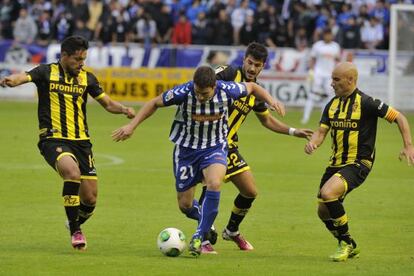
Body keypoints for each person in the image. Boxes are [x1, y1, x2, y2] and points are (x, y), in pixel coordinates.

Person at [112, 66, 285, 257]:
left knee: (214, 183)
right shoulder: (184, 92)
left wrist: (272, 100)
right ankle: (205, 225)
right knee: (185, 205)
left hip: (215, 147)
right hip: (186, 150)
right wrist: (132, 125)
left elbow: (252, 87)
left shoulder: (227, 90)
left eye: (204, 93)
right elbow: (154, 102)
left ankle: (199, 236)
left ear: (214, 86)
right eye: (198, 92)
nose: (200, 97)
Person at [0, 36, 135, 250]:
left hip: (81, 142)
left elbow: (107, 103)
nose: (81, 63)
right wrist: (11, 80)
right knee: (71, 173)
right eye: (77, 59)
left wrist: (124, 110)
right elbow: (23, 77)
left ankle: (75, 221)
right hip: (52, 138)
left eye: (84, 59)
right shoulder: (46, 72)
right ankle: (75, 230)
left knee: (90, 200)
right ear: (64, 56)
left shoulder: (87, 78)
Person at [198, 42, 313, 252]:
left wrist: (292, 131)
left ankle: (231, 231)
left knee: (249, 192)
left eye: (257, 65)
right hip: (210, 142)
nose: (252, 68)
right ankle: (203, 236)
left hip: (229, 145)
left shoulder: (256, 92)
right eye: (250, 62)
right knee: (211, 184)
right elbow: (203, 83)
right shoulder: (228, 73)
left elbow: (267, 121)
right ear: (244, 59)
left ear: (263, 67)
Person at [304, 62, 414, 262]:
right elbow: (321, 132)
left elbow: (400, 117)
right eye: (332, 79)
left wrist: (408, 145)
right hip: (335, 163)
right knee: (322, 211)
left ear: (350, 80)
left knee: (328, 194)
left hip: (359, 163)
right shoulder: (332, 104)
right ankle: (350, 244)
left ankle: (345, 243)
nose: (331, 84)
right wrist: (313, 143)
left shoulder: (367, 103)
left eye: (336, 80)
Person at [301, 28, 341, 125]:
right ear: (324, 35)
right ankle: (305, 118)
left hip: (329, 75)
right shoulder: (317, 45)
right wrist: (311, 70)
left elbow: (338, 60)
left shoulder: (335, 46)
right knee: (312, 95)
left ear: (332, 36)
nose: (328, 37)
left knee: (328, 96)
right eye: (326, 34)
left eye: (329, 35)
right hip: (318, 73)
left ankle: (323, 118)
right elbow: (312, 59)